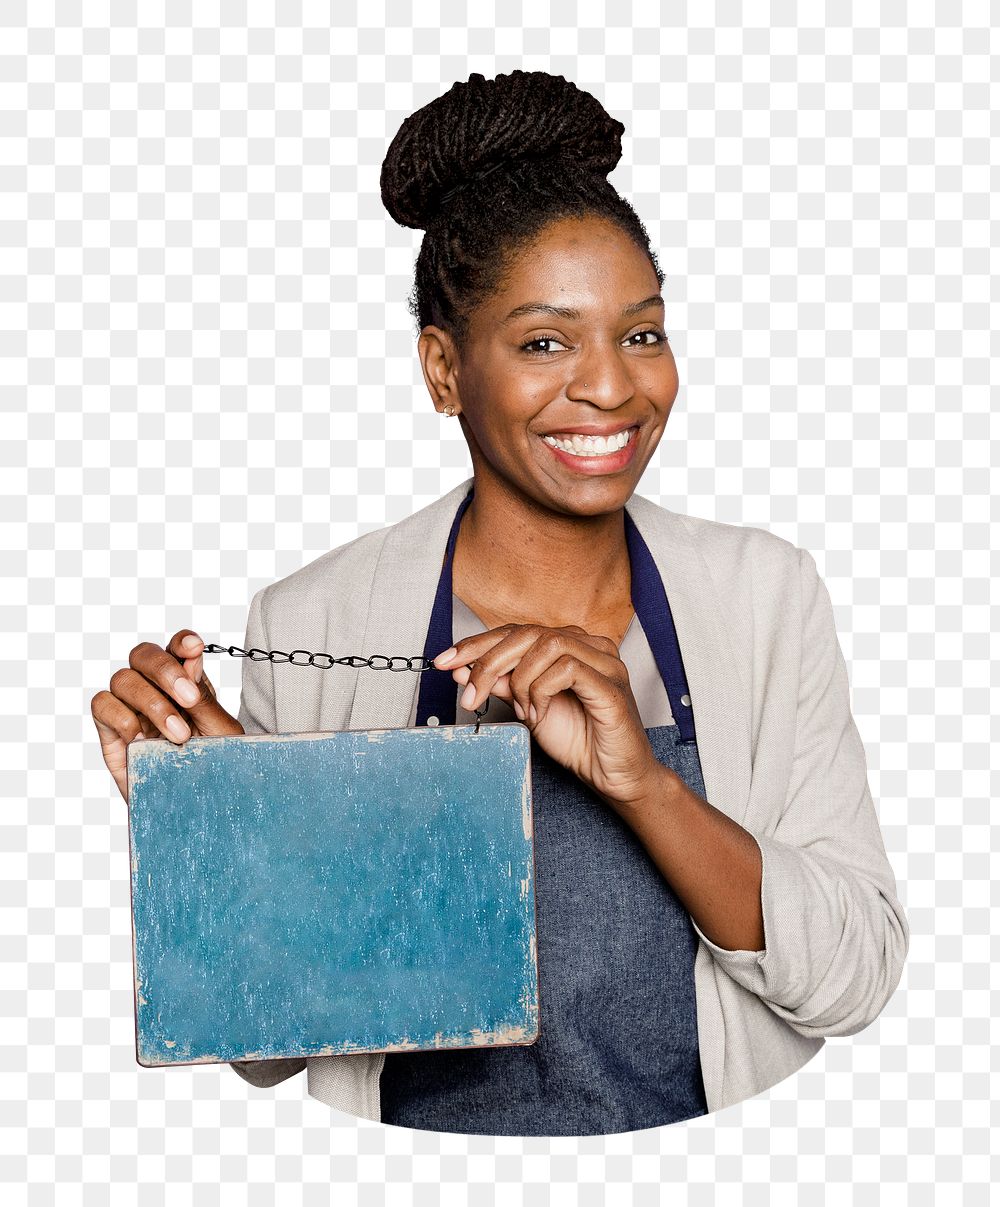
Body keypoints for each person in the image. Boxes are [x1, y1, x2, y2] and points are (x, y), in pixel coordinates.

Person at [91, 69, 910, 1137]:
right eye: (543, 342)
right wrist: (232, 839)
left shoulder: (762, 596)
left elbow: (853, 981)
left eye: (642, 332)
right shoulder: (316, 618)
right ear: (443, 368)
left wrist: (644, 787)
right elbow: (271, 1055)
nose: (612, 386)